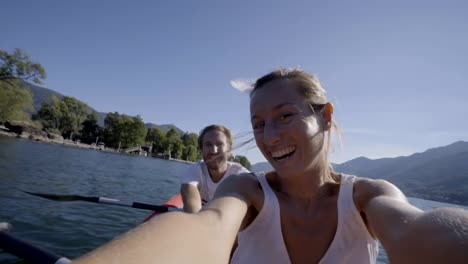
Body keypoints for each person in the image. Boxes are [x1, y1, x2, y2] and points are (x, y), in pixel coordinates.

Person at [74, 69, 468, 264]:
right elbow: (204, 229)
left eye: (284, 116)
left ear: (325, 117)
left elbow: (421, 230)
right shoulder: (247, 191)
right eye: (259, 124)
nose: (270, 136)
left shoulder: (370, 197)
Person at [181, 124, 250, 213]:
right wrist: (196, 219)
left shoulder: (241, 175)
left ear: (229, 150)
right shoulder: (196, 169)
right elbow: (189, 190)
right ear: (201, 150)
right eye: (208, 144)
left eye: (219, 144)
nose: (214, 150)